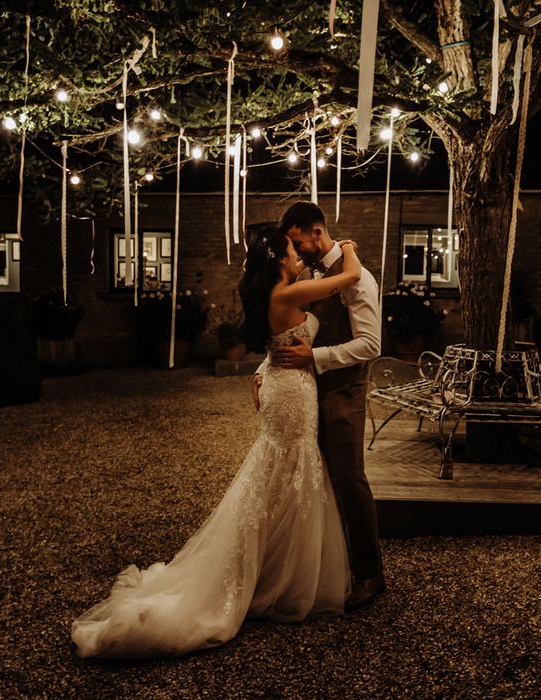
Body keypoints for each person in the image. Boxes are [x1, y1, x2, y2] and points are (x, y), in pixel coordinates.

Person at [70, 226, 362, 659]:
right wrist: (350, 248)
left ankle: (277, 569)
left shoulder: (284, 293)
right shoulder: (285, 295)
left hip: (290, 387)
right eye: (292, 251)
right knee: (287, 469)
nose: (299, 256)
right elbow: (350, 277)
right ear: (280, 260)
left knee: (285, 473)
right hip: (293, 394)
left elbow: (280, 340)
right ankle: (273, 579)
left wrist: (262, 370)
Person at [255, 201, 383, 611]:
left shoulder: (357, 278)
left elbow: (371, 345)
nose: (294, 251)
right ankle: (328, 566)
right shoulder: (306, 277)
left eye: (296, 242)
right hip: (305, 395)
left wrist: (317, 358)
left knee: (349, 480)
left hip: (344, 392)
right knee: (317, 481)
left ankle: (370, 573)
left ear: (315, 232)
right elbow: (290, 331)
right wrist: (262, 370)